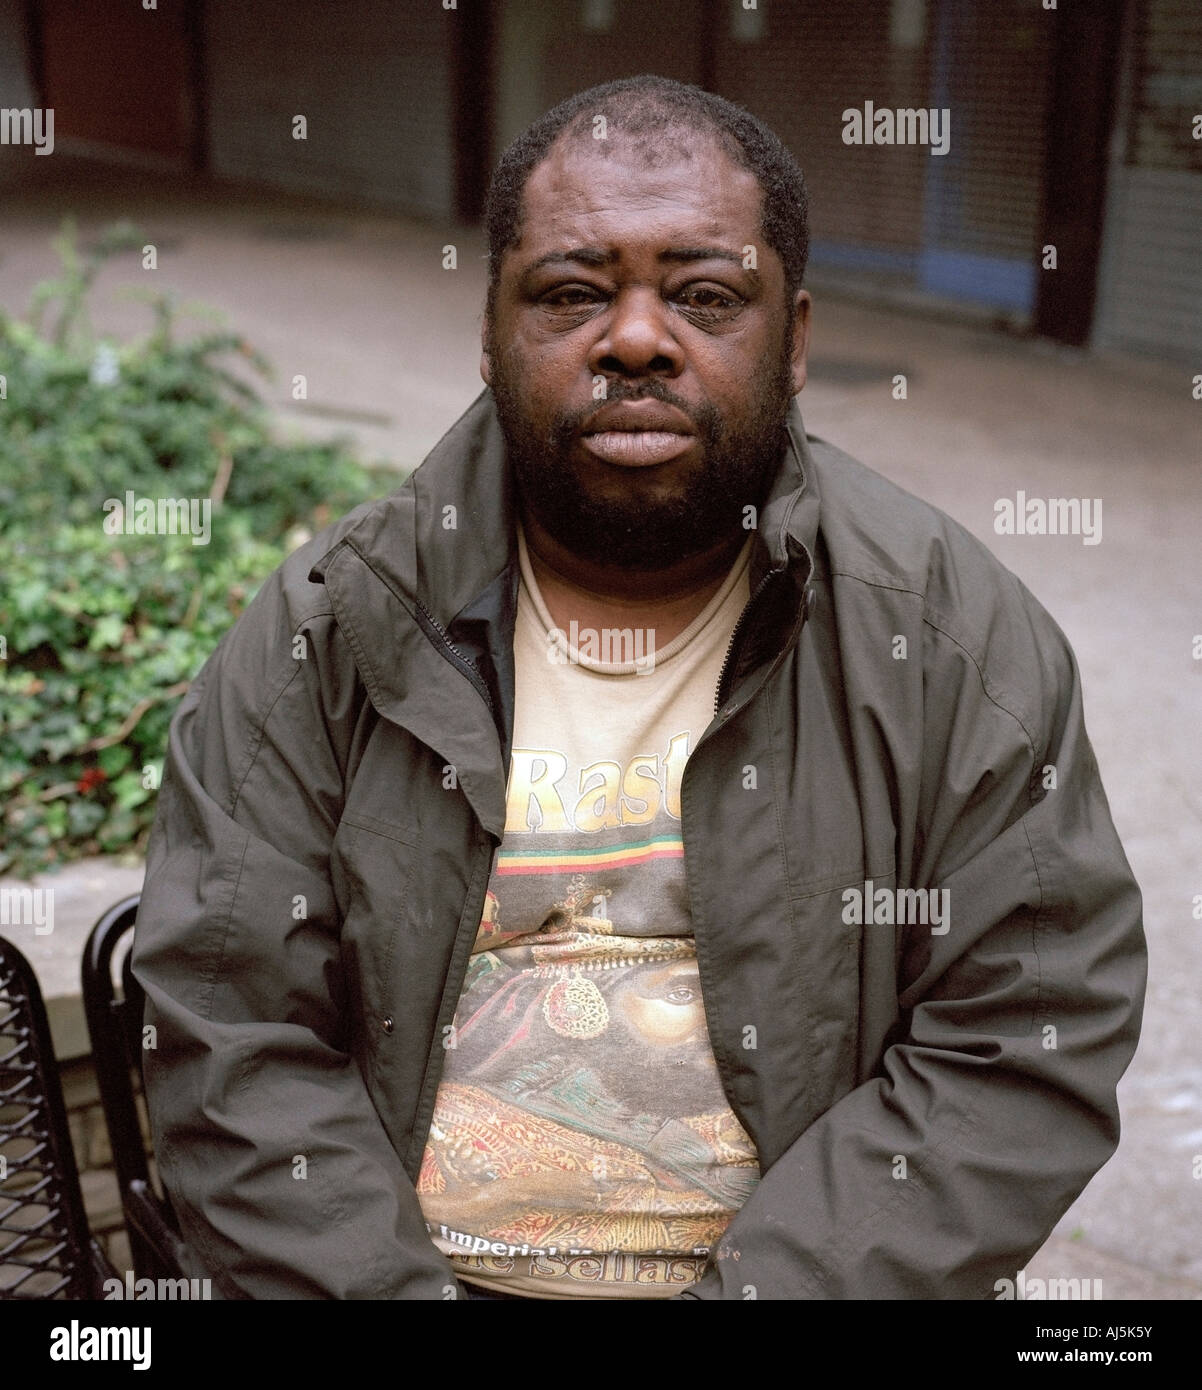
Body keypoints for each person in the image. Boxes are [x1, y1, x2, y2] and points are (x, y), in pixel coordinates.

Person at [133, 75, 1147, 1301]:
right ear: (493, 328)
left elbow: (1017, 1046)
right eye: (569, 293)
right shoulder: (328, 630)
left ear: (797, 337)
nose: (632, 338)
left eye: (704, 295)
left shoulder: (946, 642)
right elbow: (228, 1032)